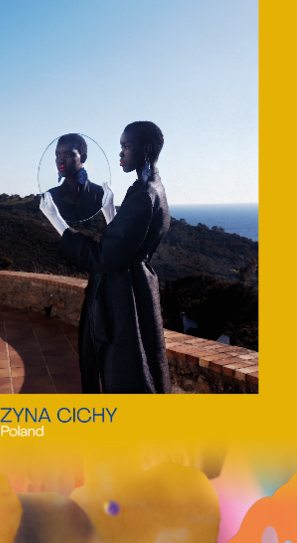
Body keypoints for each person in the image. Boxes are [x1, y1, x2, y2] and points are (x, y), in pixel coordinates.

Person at [40, 121, 172, 394]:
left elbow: (102, 258)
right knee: (144, 364)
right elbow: (127, 245)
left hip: (124, 298)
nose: (121, 153)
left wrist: (57, 221)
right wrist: (110, 211)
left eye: (127, 146)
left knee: (127, 373)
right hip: (136, 289)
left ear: (146, 149)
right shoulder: (150, 187)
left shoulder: (144, 195)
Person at [47, 133, 104, 224]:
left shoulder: (101, 194)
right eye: (58, 155)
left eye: (68, 155)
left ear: (83, 157)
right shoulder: (50, 196)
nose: (61, 160)